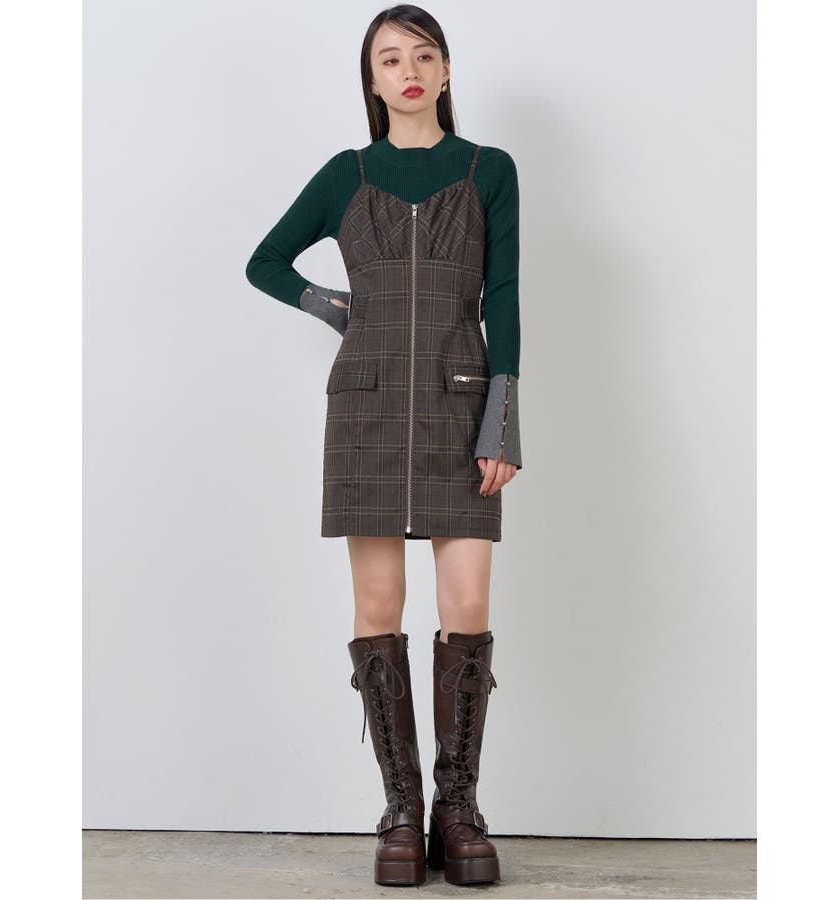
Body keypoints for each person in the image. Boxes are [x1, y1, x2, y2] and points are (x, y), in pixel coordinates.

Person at [245, 4, 522, 887]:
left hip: (459, 402)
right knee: (377, 602)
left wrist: (503, 418)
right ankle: (401, 808)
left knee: (466, 603)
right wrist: (335, 307)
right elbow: (265, 261)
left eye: (423, 54)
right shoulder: (346, 174)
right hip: (364, 407)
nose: (408, 70)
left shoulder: (487, 169)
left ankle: (457, 808)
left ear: (446, 70)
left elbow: (504, 294)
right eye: (390, 58)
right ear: (372, 79)